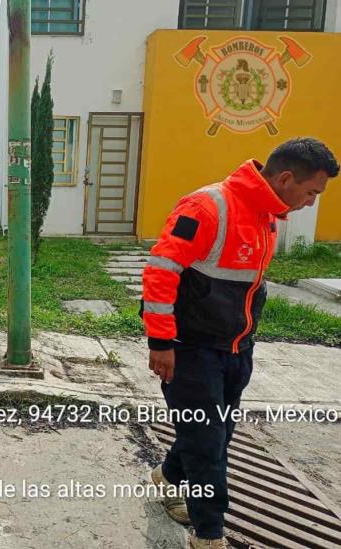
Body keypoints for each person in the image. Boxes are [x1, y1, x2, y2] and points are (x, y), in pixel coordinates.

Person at [141, 137, 338, 549]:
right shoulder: (208, 206)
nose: (311, 202)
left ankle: (168, 477)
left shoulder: (266, 216)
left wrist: (243, 344)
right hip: (190, 350)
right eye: (311, 192)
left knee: (215, 432)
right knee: (208, 442)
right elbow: (160, 271)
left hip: (235, 350)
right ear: (286, 178)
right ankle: (208, 534)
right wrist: (161, 343)